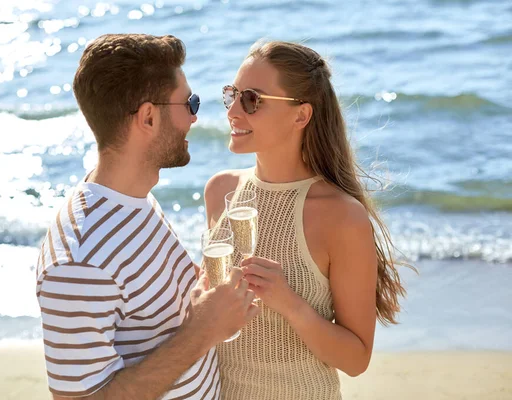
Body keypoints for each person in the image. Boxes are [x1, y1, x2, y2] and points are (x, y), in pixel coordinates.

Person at [35, 33, 258, 400]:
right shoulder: (77, 264)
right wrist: (204, 330)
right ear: (149, 118)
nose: (195, 116)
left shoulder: (134, 199)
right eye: (189, 102)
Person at [204, 40, 409, 400]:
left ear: (301, 115)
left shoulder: (341, 216)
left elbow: (356, 358)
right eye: (231, 95)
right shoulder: (220, 191)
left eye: (251, 99)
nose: (233, 111)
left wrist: (290, 303)